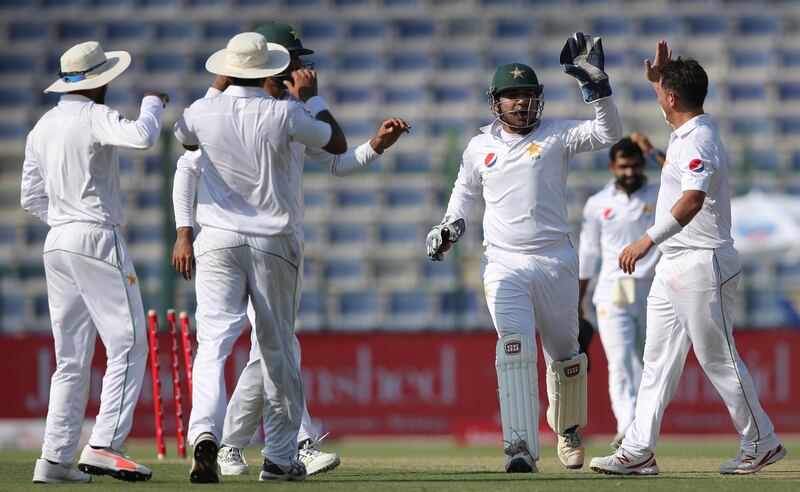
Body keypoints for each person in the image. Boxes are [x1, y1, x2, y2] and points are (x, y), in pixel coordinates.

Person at [171, 21, 409, 478]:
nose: (302, 67)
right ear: (276, 66)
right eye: (295, 61)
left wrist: (377, 145)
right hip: (271, 243)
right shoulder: (287, 114)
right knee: (278, 351)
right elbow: (335, 140)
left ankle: (206, 431)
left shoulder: (205, 111)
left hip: (217, 241)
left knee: (214, 346)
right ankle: (281, 456)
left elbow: (339, 162)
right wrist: (312, 99)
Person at [426, 32, 622, 473]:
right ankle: (519, 448)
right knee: (512, 346)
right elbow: (462, 194)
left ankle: (567, 428)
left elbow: (610, 132)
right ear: (495, 102)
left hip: (555, 259)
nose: (520, 104)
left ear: (539, 100)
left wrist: (596, 87)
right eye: (512, 97)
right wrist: (449, 224)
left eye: (528, 96)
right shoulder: (480, 146)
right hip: (504, 262)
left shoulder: (558, 134)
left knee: (565, 353)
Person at [589, 40, 785, 476]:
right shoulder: (684, 133)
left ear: (673, 99)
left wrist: (646, 241)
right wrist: (661, 79)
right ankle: (638, 449)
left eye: (661, 92)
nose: (658, 97)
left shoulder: (700, 139)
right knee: (656, 361)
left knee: (718, 357)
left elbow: (692, 200)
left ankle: (762, 440)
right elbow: (677, 129)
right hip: (675, 264)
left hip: (701, 260)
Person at [21, 41, 167, 483]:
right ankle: (104, 445)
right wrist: (152, 103)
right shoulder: (93, 114)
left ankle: (53, 460)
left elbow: (30, 197)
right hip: (94, 237)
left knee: (71, 359)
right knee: (130, 342)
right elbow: (143, 136)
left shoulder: (41, 126)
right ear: (99, 81)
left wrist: (65, 225)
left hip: (57, 241)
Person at [578, 136, 660, 450]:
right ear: (612, 166)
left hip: (653, 288)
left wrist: (653, 152)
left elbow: (687, 184)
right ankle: (626, 425)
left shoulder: (661, 193)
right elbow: (588, 253)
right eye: (623, 166)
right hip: (614, 289)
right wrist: (579, 299)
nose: (629, 172)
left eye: (635, 165)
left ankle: (643, 427)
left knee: (647, 360)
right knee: (620, 359)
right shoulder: (598, 203)